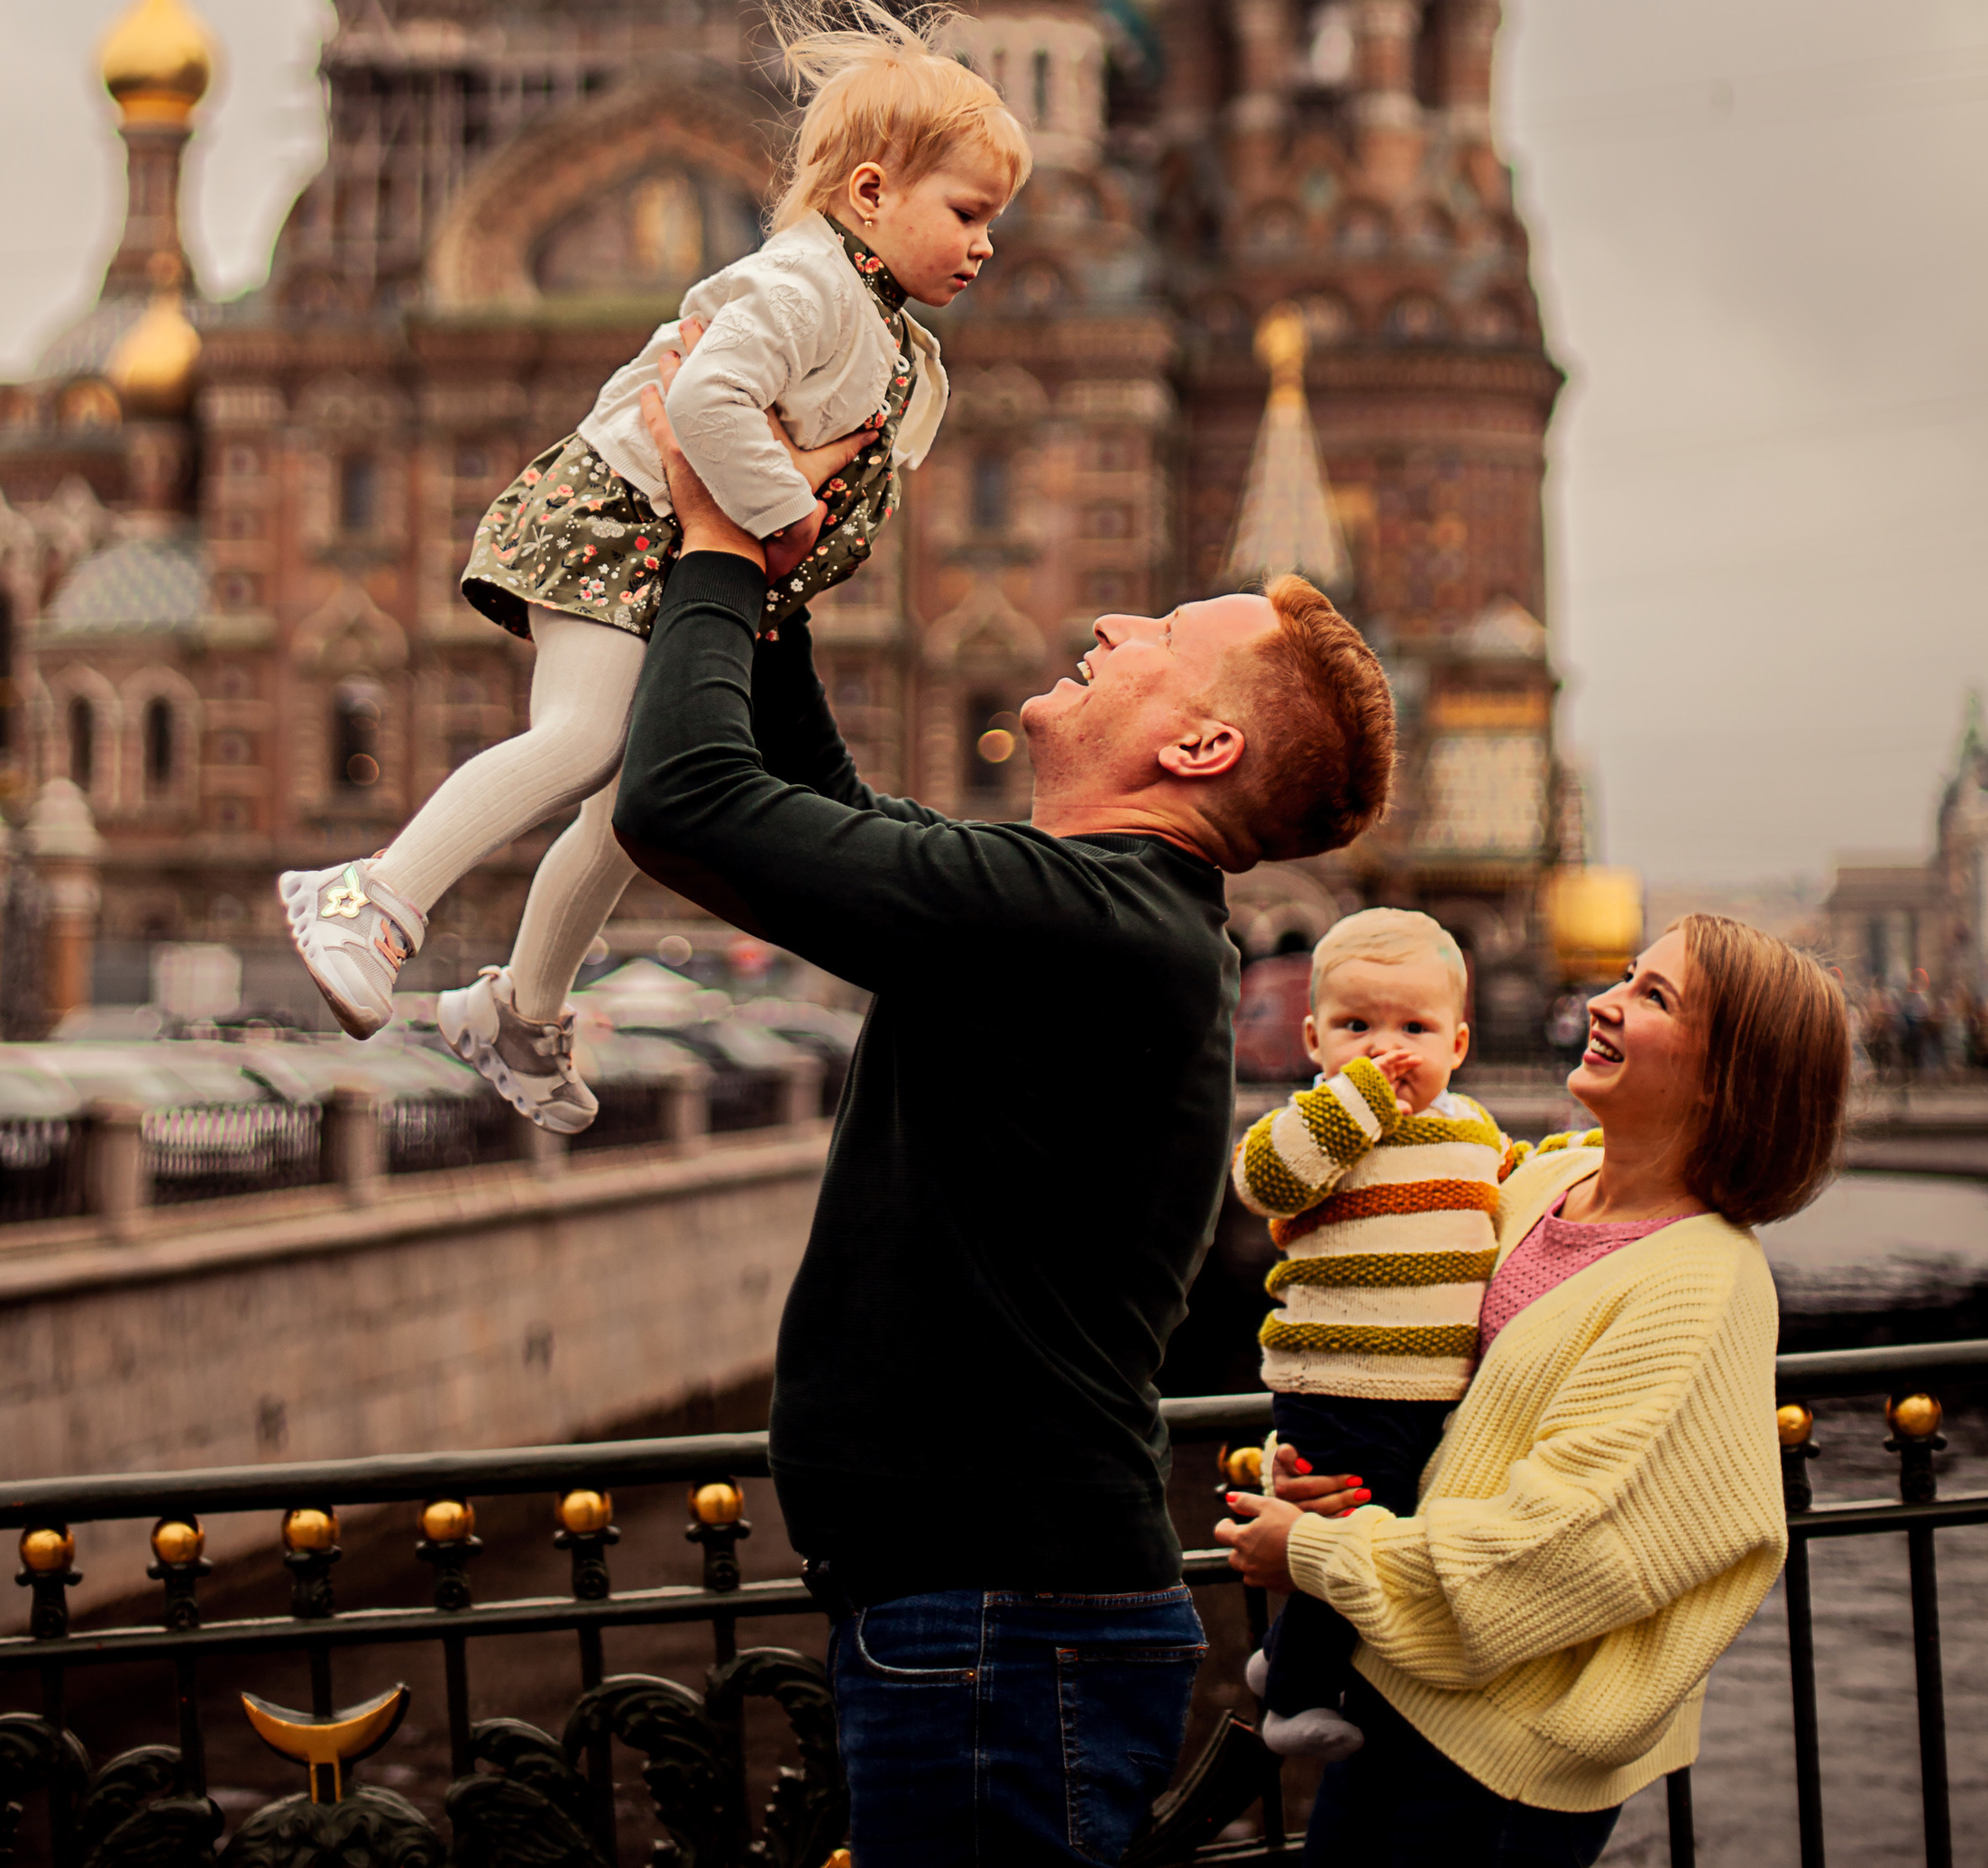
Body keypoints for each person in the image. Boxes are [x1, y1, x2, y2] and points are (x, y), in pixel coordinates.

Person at [612, 370, 1397, 1868]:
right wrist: (777, 568)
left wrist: (713, 547)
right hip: (992, 1613)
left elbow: (691, 803)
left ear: (1201, 751)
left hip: (997, 1625)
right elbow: (816, 802)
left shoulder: (1094, 923)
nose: (1109, 628)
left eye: (1158, 642)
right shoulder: (1095, 912)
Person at [276, 0, 1028, 1125]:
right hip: (615, 524)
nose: (983, 245)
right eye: (967, 213)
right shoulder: (807, 282)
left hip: (667, 555)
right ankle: (371, 894)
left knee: (634, 805)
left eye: (994, 224)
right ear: (869, 193)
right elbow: (710, 398)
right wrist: (790, 521)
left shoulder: (880, 323)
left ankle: (517, 1015)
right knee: (580, 742)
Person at [1219, 914, 1851, 1863]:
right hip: (1398, 1686)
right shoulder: (1537, 1179)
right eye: (1628, 976)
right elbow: (1401, 1358)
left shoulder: (1700, 1284)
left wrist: (1316, 1553)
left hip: (1497, 1757)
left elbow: (1561, 1549)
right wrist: (1320, 1472)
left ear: (1726, 1074)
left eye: (1653, 996)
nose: (1601, 1000)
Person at [1232, 907, 1515, 1761]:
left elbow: (1507, 1186)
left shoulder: (1469, 1126)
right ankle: (1293, 1700)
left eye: (1413, 1028)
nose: (1385, 1048)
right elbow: (1264, 1180)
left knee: (1383, 1529)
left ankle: (1282, 1658)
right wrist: (1351, 1103)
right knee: (1351, 1535)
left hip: (1428, 1390)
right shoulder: (1324, 1123)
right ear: (1315, 1039)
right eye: (1357, 1027)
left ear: (1456, 1045)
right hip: (1337, 1381)